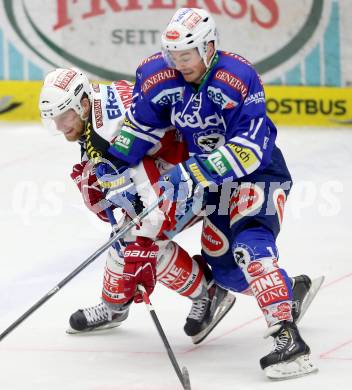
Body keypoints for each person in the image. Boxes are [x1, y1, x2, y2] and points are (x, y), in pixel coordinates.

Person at [95, 8, 324, 379]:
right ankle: (289, 293)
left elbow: (249, 147)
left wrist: (191, 172)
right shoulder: (159, 76)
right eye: (172, 54)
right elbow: (138, 128)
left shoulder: (237, 76)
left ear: (209, 47)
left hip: (259, 174)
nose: (177, 63)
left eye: (185, 55)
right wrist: (113, 165)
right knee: (230, 273)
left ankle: (289, 339)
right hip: (212, 184)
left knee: (251, 248)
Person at [38, 67, 236, 342]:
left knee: (141, 244)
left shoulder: (109, 129)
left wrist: (143, 244)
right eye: (54, 119)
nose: (59, 126)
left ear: (82, 104)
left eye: (63, 117)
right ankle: (115, 306)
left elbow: (152, 204)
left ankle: (209, 293)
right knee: (125, 240)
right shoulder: (95, 104)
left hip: (196, 175)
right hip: (175, 163)